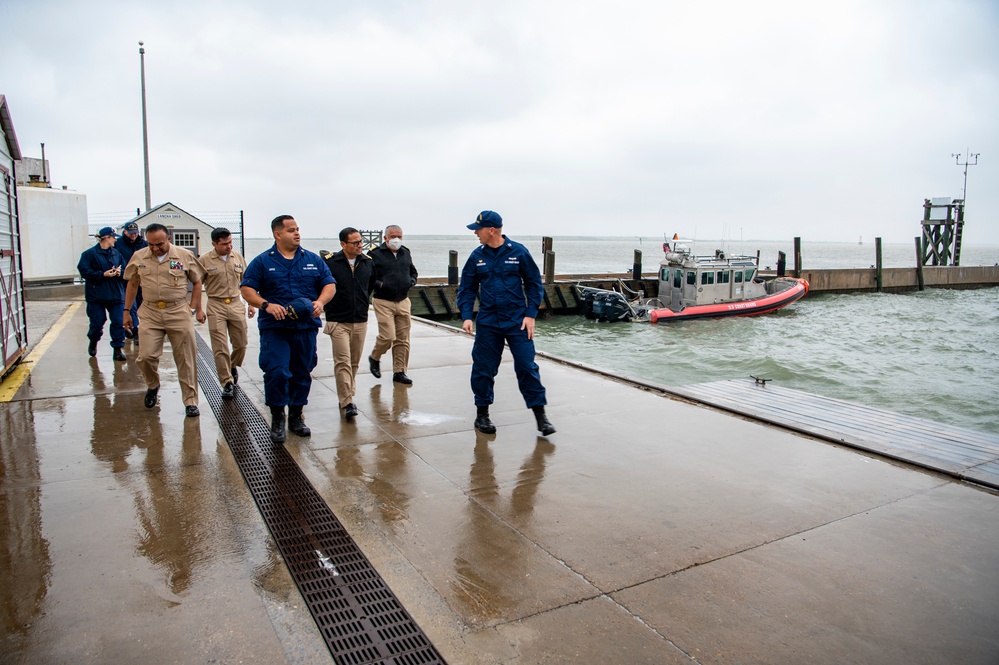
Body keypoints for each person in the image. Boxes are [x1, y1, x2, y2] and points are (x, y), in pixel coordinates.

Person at [456, 210, 555, 436]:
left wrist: (530, 314)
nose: (475, 234)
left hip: (517, 321)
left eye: (478, 230)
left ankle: (541, 417)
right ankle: (482, 415)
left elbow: (533, 285)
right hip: (489, 321)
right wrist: (467, 315)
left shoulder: (518, 252)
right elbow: (467, 288)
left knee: (527, 366)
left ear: (491, 230)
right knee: (483, 368)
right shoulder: (476, 256)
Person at [240, 215, 336, 443]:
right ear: (278, 234)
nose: (297, 233)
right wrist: (266, 305)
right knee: (277, 372)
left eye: (298, 229)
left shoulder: (313, 259)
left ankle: (296, 416)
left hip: (305, 327)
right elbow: (247, 289)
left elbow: (329, 284)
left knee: (302, 371)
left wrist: (321, 302)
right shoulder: (263, 262)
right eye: (291, 230)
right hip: (276, 328)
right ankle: (277, 418)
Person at [123, 223, 207, 417]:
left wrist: (194, 307)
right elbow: (132, 284)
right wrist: (126, 311)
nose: (155, 248)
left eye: (159, 244)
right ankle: (153, 384)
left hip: (177, 311)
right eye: (151, 244)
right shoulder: (139, 257)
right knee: (145, 357)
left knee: (186, 359)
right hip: (151, 312)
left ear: (168, 239)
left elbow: (197, 281)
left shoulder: (184, 255)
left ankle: (190, 401)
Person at [322, 227, 375, 419]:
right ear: (343, 244)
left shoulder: (368, 263)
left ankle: (348, 394)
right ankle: (347, 401)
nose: (360, 245)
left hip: (360, 319)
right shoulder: (330, 263)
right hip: (338, 320)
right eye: (355, 242)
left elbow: (370, 286)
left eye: (361, 241)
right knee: (342, 361)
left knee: (354, 362)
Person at [199, 227, 255, 400]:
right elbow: (195, 285)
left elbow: (246, 283)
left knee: (241, 343)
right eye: (224, 244)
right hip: (216, 304)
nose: (229, 246)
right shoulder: (204, 260)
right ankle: (226, 382)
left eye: (230, 242)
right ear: (215, 244)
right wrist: (198, 309)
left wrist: (251, 304)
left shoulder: (237, 258)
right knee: (220, 346)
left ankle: (232, 365)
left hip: (236, 303)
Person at [367, 225, 418, 385]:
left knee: (403, 340)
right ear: (385, 238)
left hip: (403, 300)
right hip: (383, 301)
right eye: (393, 236)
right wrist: (380, 285)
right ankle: (375, 357)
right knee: (388, 336)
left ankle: (400, 371)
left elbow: (413, 271)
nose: (397, 239)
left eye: (400, 236)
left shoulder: (405, 252)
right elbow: (367, 276)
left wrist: (412, 281)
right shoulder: (374, 254)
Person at [77, 226, 127, 361]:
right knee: (97, 322)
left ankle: (117, 349)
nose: (115, 241)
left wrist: (119, 273)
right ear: (106, 238)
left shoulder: (116, 254)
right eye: (113, 238)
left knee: (118, 322)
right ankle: (93, 340)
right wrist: (102, 274)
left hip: (116, 294)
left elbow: (125, 268)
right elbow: (84, 272)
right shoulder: (89, 254)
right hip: (97, 295)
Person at [115, 221, 148, 344]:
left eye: (135, 233)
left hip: (142, 279)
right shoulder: (118, 245)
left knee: (141, 305)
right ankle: (135, 332)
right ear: (125, 232)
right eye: (130, 233)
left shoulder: (143, 244)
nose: (133, 235)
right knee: (131, 306)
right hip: (126, 280)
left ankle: (132, 328)